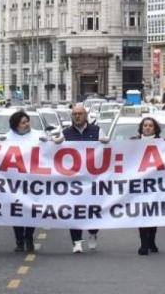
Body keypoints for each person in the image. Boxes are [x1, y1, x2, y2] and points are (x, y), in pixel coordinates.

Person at [59, 103, 102, 253]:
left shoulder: (96, 131)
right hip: (73, 180)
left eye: (80, 114)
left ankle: (92, 233)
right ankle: (76, 241)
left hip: (92, 180)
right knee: (73, 210)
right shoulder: (65, 133)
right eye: (74, 114)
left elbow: (107, 150)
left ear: (86, 116)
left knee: (93, 209)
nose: (77, 116)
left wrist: (105, 142)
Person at [4, 110, 46, 252]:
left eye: (27, 121)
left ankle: (29, 236)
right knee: (16, 211)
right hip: (14, 182)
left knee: (31, 210)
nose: (26, 124)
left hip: (32, 182)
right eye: (23, 122)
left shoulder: (39, 136)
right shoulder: (7, 138)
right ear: (16, 125)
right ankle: (19, 240)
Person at [133, 117, 163, 255]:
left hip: (156, 183)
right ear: (141, 127)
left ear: (155, 128)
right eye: (145, 125)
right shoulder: (133, 142)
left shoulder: (163, 143)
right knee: (142, 213)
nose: (148, 128)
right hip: (140, 183)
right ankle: (143, 243)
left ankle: (152, 240)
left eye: (150, 125)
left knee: (153, 213)